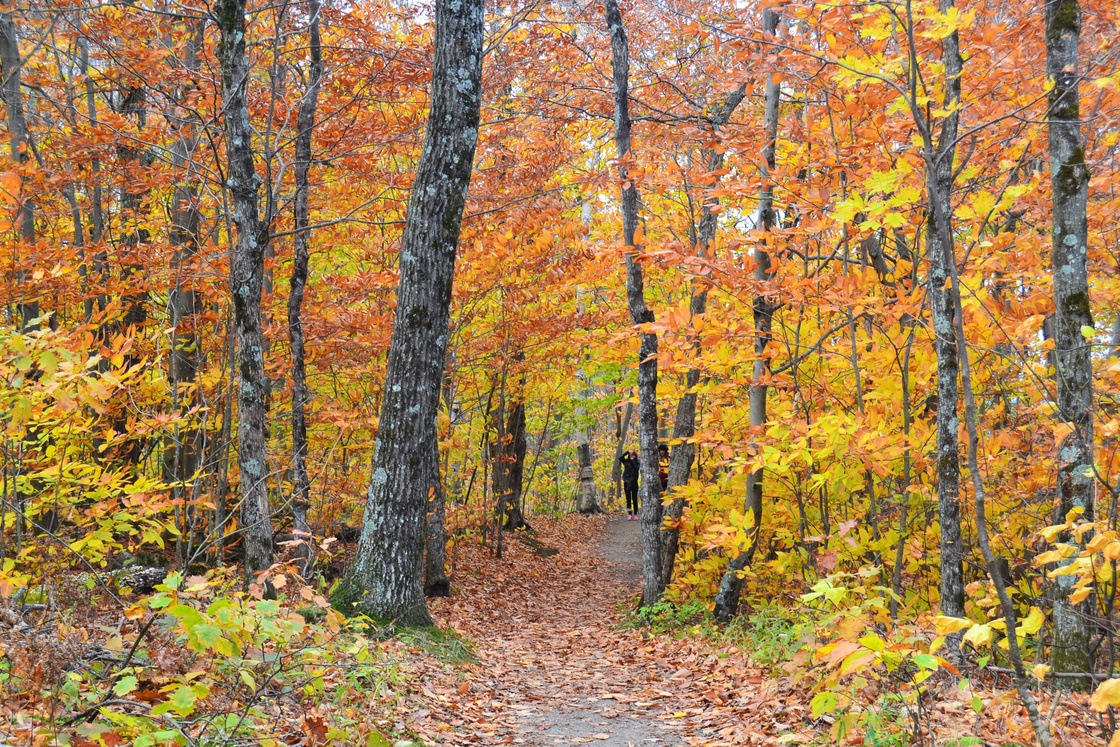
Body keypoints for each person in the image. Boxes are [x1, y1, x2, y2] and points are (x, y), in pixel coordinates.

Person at [619, 449, 640, 519]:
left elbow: (637, 468)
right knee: (628, 498)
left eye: (633, 455)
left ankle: (636, 513)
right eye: (631, 455)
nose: (632, 456)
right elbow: (620, 458)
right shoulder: (626, 462)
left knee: (634, 498)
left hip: (634, 482)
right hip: (627, 482)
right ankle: (629, 514)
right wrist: (627, 452)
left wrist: (633, 460)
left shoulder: (637, 462)